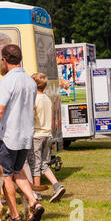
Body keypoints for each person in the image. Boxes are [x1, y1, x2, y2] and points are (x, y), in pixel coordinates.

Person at [0, 44, 44, 221]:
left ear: (4, 60)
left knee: (6, 176)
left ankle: (15, 217)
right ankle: (34, 202)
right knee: (18, 171)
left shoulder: (7, 81)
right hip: (26, 136)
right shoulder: (31, 82)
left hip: (8, 136)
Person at [28, 73, 66, 202]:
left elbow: (31, 117)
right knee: (44, 163)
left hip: (37, 136)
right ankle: (57, 185)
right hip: (48, 134)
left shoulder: (34, 100)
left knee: (35, 165)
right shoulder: (47, 98)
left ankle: (37, 193)